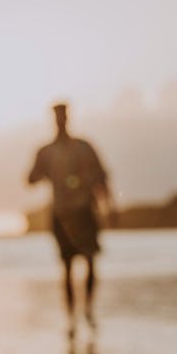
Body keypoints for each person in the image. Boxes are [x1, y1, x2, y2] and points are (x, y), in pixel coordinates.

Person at [27, 102, 115, 324]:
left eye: (63, 116)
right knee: (66, 267)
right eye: (58, 116)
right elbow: (30, 179)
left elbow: (102, 176)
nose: (61, 120)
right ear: (53, 119)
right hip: (61, 213)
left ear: (68, 117)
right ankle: (71, 316)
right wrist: (43, 173)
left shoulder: (84, 147)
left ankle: (88, 309)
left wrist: (110, 206)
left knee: (90, 261)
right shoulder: (46, 151)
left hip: (84, 211)